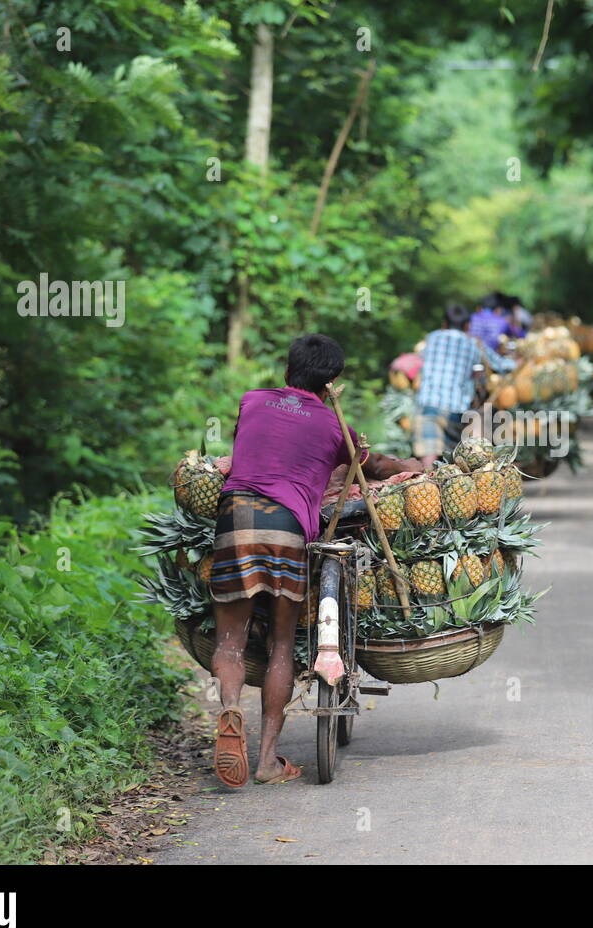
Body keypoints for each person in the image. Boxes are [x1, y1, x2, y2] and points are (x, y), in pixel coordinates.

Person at [208, 334, 412, 787]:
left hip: (235, 517)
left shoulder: (251, 401)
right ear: (333, 382)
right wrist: (409, 464)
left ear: (287, 370)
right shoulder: (338, 428)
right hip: (287, 528)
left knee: (230, 640)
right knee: (283, 643)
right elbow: (369, 466)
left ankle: (228, 708)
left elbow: (259, 449)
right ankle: (265, 760)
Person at [414, 303, 516, 468]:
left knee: (429, 450)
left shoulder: (431, 338)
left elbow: (418, 359)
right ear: (467, 325)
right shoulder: (474, 344)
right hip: (456, 410)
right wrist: (519, 362)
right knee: (457, 459)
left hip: (428, 404)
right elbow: (501, 365)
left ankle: (427, 481)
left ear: (444, 324)